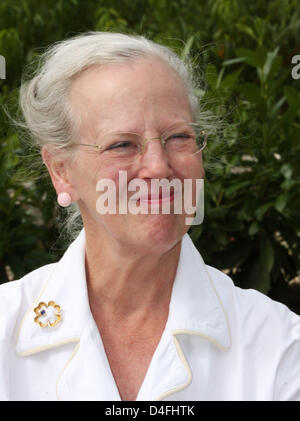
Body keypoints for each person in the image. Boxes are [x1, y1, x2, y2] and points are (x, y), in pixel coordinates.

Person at [0, 32, 299, 402]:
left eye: (178, 137)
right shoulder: (4, 330)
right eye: (121, 145)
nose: (159, 167)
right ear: (61, 171)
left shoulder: (280, 346)